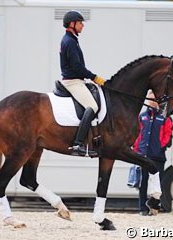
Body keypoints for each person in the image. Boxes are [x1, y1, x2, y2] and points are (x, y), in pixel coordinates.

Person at [60, 10, 106, 156]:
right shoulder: (69, 42)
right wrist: (94, 77)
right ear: (72, 24)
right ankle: (78, 144)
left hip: (76, 80)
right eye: (80, 23)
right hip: (73, 82)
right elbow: (77, 67)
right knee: (92, 106)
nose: (82, 26)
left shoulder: (71, 39)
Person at [133, 90, 173, 216]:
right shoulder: (142, 117)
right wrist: (136, 149)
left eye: (154, 99)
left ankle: (154, 208)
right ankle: (142, 208)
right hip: (143, 155)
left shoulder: (165, 117)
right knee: (143, 182)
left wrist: (161, 146)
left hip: (158, 156)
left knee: (157, 183)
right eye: (149, 99)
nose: (151, 102)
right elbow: (137, 134)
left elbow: (168, 134)